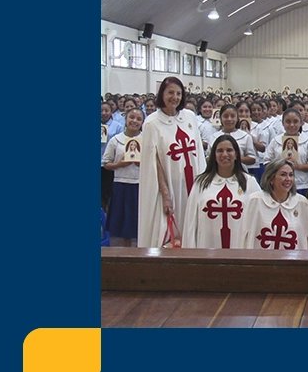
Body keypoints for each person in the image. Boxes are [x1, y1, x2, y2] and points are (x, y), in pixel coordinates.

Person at [137, 77, 207, 248]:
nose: (174, 97)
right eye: (170, 93)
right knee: (170, 233)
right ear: (162, 94)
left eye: (178, 93)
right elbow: (154, 162)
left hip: (193, 183)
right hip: (169, 187)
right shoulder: (152, 122)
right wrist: (165, 194)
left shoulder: (189, 117)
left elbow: (199, 152)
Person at [181, 134, 262, 248]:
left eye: (229, 150)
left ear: (236, 154)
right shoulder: (201, 183)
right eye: (220, 151)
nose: (224, 154)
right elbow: (190, 222)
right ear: (214, 155)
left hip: (239, 250)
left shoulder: (249, 183)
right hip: (206, 247)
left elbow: (258, 220)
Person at [240, 159, 308, 250]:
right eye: (283, 175)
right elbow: (245, 237)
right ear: (271, 179)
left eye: (291, 175)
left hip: (292, 258)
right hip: (262, 257)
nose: (288, 179)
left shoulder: (302, 203)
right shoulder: (255, 201)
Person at [102, 107, 145, 247]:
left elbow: (155, 163)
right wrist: (119, 164)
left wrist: (142, 164)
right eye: (131, 117)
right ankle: (127, 252)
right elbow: (106, 163)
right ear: (125, 119)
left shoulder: (146, 140)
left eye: (139, 119)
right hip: (121, 184)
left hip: (141, 184)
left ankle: (142, 251)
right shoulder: (115, 140)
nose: (134, 121)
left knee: (140, 221)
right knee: (124, 223)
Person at [262, 108, 308, 196]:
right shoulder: (275, 141)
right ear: (283, 123)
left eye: (295, 122)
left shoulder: (307, 141)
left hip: (301, 185)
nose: (292, 125)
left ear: (301, 123)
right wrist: (279, 168)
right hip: (279, 185)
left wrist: (299, 166)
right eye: (288, 122)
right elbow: (266, 162)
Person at [207, 104, 257, 171]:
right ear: (220, 118)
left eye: (232, 116)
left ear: (237, 118)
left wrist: (235, 157)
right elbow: (208, 158)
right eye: (225, 116)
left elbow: (252, 159)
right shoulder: (213, 137)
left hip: (239, 172)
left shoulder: (245, 137)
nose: (229, 119)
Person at [101, 101, 123, 212]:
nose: (104, 113)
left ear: (111, 112)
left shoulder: (117, 126)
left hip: (111, 164)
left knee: (109, 192)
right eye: (101, 111)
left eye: (106, 111)